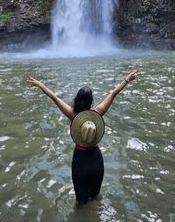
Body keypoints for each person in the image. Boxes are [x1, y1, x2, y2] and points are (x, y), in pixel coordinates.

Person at [26, 69, 142, 204]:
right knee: (95, 197)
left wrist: (41, 85)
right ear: (91, 101)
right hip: (96, 159)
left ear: (77, 99)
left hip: (80, 160)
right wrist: (127, 80)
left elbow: (55, 97)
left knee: (81, 202)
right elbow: (113, 93)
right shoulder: (98, 112)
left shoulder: (72, 114)